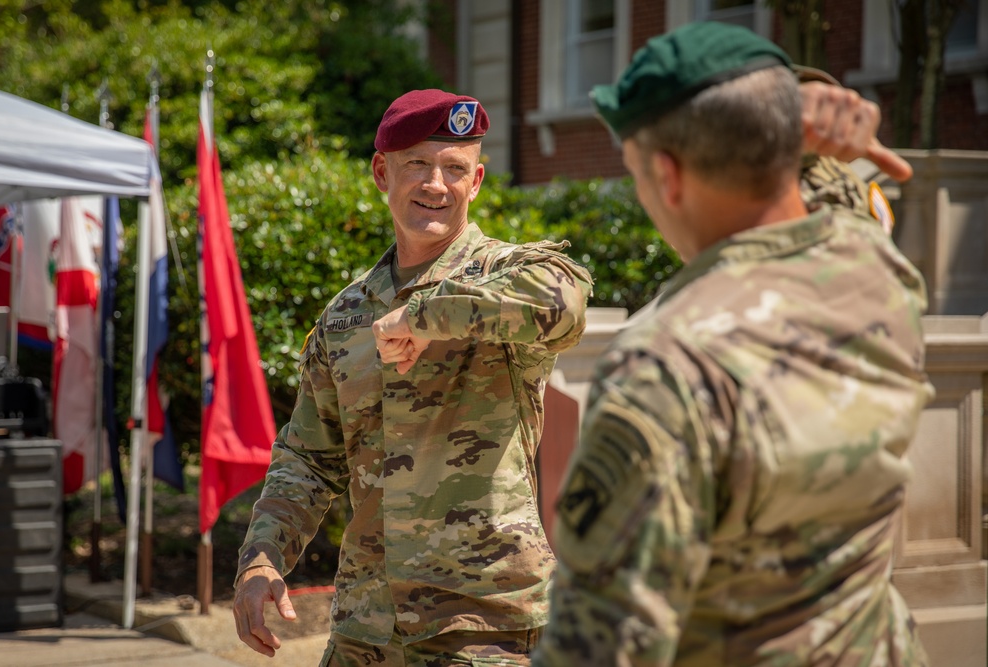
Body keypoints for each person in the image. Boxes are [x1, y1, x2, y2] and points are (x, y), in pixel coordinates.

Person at [532, 21, 933, 667]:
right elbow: (836, 200)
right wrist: (781, 112)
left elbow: (602, 648)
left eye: (635, 173)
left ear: (666, 176)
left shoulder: (667, 367)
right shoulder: (880, 272)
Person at [233, 88, 594, 666]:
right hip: (366, 632)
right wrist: (262, 556)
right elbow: (308, 458)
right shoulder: (346, 316)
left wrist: (431, 316)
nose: (436, 185)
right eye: (418, 165)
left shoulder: (506, 273)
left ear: (476, 183)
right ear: (382, 172)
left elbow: (565, 304)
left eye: (456, 169)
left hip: (484, 627)